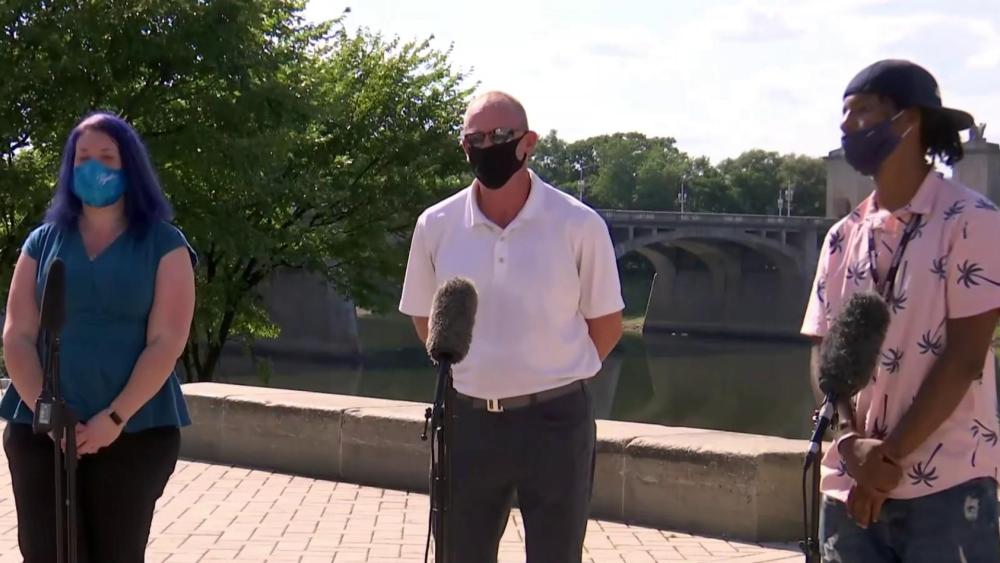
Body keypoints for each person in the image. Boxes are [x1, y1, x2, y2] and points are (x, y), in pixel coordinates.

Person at [399, 91, 624, 562]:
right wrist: (477, 375)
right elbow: (425, 318)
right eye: (475, 138)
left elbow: (606, 325)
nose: (488, 146)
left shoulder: (578, 224)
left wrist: (549, 372)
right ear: (464, 147)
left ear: (529, 142)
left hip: (557, 423)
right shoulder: (435, 224)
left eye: (501, 135)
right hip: (466, 421)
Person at [802, 59, 1000, 562]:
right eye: (844, 113)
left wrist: (886, 459)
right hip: (849, 486)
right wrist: (851, 445)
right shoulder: (842, 236)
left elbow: (965, 359)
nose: (847, 125)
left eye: (862, 111)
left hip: (948, 486)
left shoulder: (973, 222)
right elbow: (825, 354)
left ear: (909, 121)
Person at [1, 112, 196, 562]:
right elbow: (17, 334)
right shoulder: (41, 243)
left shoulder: (164, 244)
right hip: (41, 435)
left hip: (135, 433)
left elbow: (166, 342)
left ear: (131, 167)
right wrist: (49, 414)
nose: (93, 167)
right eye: (82, 158)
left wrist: (114, 417)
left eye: (107, 157)